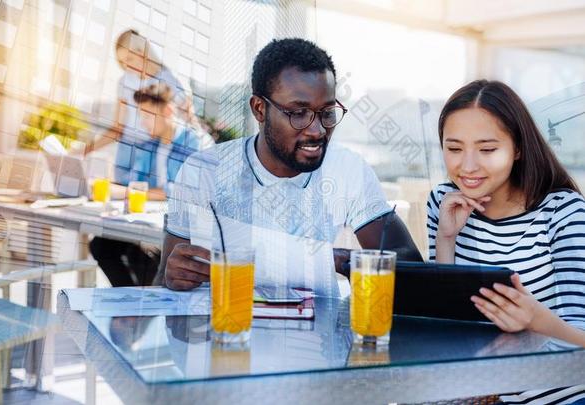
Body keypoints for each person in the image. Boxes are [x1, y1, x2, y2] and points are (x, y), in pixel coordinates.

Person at [155, 38, 422, 294]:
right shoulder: (204, 170)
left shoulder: (347, 168)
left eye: (327, 113)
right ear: (259, 109)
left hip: (317, 338)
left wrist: (342, 260)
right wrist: (174, 276)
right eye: (298, 113)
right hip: (227, 333)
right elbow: (165, 279)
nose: (317, 130)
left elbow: (410, 264)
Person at [427, 79, 585, 404]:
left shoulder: (563, 212)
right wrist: (446, 238)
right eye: (454, 148)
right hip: (482, 393)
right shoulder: (444, 202)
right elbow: (445, 323)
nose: (467, 166)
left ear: (517, 148)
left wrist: (536, 320)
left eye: (487, 149)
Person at [89, 83, 212, 286]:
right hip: (152, 219)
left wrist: (131, 191)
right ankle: (132, 306)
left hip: (189, 225)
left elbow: (188, 191)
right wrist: (110, 183)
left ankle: (149, 304)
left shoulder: (195, 142)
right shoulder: (151, 146)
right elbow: (134, 181)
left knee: (141, 252)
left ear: (168, 111)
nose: (144, 123)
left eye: (148, 116)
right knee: (102, 245)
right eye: (142, 116)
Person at [85, 29, 205, 155]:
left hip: (152, 150)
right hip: (126, 148)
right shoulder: (124, 81)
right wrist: (86, 150)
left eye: (129, 59)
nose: (126, 66)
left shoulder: (167, 79)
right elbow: (117, 127)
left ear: (142, 53)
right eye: (122, 62)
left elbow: (188, 118)